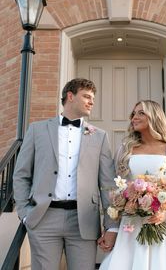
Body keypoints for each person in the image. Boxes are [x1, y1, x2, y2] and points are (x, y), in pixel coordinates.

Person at [13, 78, 118, 270]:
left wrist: (111, 226)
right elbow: (21, 174)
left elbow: (108, 184)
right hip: (44, 217)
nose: (91, 102)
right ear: (70, 96)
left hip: (84, 221)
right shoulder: (37, 130)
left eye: (93, 98)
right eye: (86, 96)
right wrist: (24, 213)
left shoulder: (99, 136)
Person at [98, 100, 166, 270]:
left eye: (141, 113)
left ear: (154, 117)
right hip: (132, 223)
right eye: (133, 114)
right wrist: (125, 207)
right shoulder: (125, 150)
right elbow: (117, 187)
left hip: (164, 223)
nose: (134, 117)